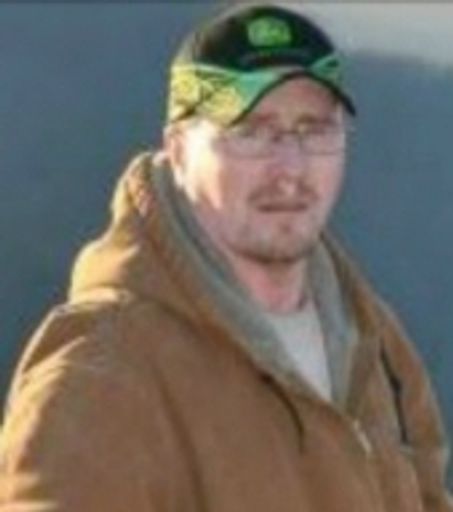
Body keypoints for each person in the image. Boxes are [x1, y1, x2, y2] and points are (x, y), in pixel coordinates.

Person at [0, 3, 451, 511]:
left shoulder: (375, 345)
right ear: (178, 149)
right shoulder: (101, 375)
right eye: (250, 131)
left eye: (314, 130)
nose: (290, 167)